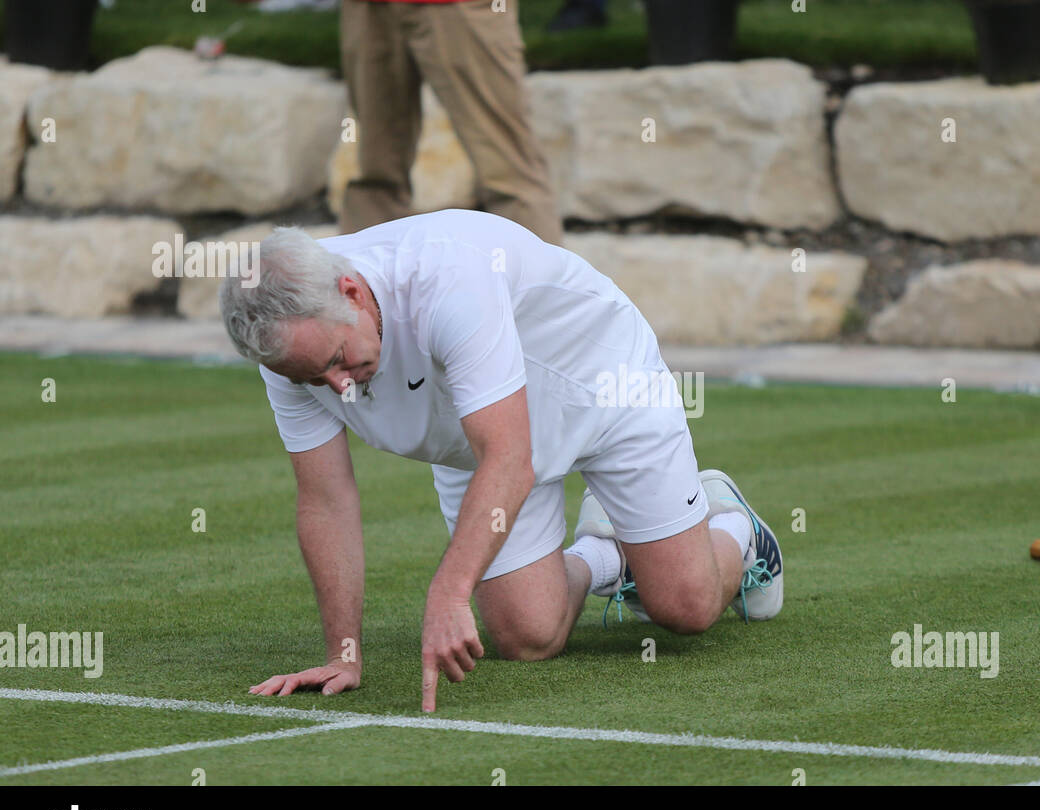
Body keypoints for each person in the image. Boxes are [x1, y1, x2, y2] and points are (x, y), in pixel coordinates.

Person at [218, 210, 783, 712]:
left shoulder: (447, 277)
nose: (337, 386)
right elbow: (326, 500)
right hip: (478, 435)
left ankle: (739, 528)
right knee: (526, 637)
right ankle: (609, 553)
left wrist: (447, 592)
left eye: (338, 359)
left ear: (352, 292)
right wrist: (344, 654)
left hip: (605, 389)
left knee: (686, 608)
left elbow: (510, 461)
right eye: (315, 377)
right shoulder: (288, 352)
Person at [339, 0, 563, 244]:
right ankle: (360, 275)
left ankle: (539, 278)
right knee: (375, 171)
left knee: (509, 171)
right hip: (368, 8)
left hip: (463, 7)